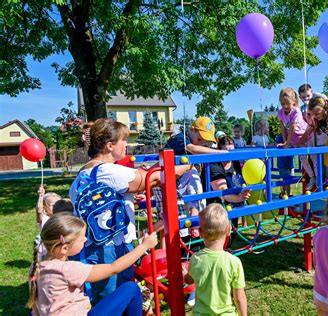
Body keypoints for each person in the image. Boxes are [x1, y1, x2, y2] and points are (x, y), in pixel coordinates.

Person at [69, 118, 188, 304]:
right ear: (109, 145)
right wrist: (187, 165)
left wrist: (127, 197)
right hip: (112, 248)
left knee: (107, 298)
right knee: (113, 299)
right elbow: (152, 179)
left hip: (92, 246)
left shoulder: (84, 172)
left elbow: (106, 196)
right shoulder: (108, 171)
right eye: (123, 140)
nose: (126, 144)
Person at [27, 213, 158, 315]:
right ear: (65, 248)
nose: (85, 239)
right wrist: (143, 247)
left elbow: (36, 307)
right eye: (82, 238)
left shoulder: (37, 266)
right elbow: (113, 268)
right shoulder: (67, 269)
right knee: (131, 288)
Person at [184, 204, 247, 316]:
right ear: (228, 230)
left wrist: (185, 274)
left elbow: (190, 281)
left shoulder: (196, 258)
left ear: (200, 232)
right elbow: (240, 298)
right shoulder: (234, 262)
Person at [201, 136, 251, 242]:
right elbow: (222, 192)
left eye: (232, 150)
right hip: (215, 208)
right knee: (218, 237)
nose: (229, 154)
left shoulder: (234, 161)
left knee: (232, 235)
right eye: (226, 150)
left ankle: (226, 252)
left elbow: (239, 179)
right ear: (219, 150)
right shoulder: (213, 163)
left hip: (232, 205)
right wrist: (239, 198)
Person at [277, 87, 318, 191]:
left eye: (288, 103)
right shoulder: (281, 112)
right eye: (282, 104)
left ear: (294, 102)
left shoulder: (296, 112)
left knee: (313, 157)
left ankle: (318, 177)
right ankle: (312, 177)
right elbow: (283, 128)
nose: (285, 106)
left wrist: (287, 143)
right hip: (297, 141)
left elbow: (293, 128)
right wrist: (286, 142)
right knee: (303, 159)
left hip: (307, 137)